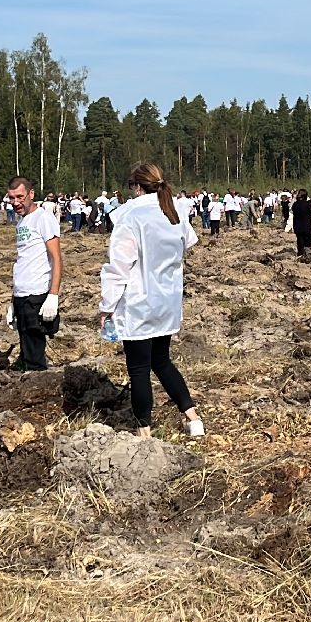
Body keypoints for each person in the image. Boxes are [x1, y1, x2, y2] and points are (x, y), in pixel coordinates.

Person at [99, 162, 205, 439]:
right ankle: (193, 418)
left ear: (136, 186)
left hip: (138, 301)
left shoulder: (129, 215)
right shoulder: (174, 210)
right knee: (162, 361)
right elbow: (187, 244)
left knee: (138, 369)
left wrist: (107, 305)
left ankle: (144, 431)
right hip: (167, 300)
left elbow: (118, 266)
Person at [6, 175, 63, 372]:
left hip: (37, 293)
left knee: (34, 353)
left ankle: (38, 389)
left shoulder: (43, 218)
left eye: (20, 197)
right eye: (11, 198)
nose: (16, 202)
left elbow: (56, 258)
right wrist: (13, 301)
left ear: (31, 194)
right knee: (27, 346)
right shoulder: (22, 223)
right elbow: (22, 262)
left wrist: (53, 296)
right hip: (22, 294)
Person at [291, 189, 311, 257]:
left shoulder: (295, 204)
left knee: (300, 242)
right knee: (307, 243)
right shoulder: (307, 204)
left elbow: (292, 209)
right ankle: (307, 256)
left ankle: (300, 255)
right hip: (307, 227)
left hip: (297, 226)